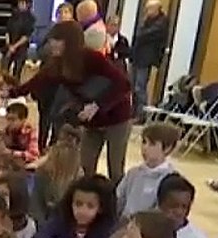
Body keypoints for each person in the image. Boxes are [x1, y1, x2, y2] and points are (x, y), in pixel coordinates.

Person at [9, 21, 132, 181]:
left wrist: (97, 105)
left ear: (69, 41)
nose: (52, 43)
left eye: (57, 39)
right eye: (52, 39)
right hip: (92, 121)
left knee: (115, 169)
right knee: (85, 167)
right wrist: (11, 93)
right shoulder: (57, 64)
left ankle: (117, 203)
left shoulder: (92, 58)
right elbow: (37, 81)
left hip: (117, 118)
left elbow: (124, 84)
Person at [117, 122, 179, 218]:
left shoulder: (171, 180)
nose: (144, 148)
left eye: (152, 144)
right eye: (144, 142)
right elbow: (118, 200)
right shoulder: (133, 173)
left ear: (167, 148)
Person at [158, 174, 209, 238]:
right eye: (173, 206)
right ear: (160, 204)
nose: (179, 212)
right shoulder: (147, 228)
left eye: (185, 207)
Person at [131, 0, 171, 116]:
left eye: (149, 9)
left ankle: (142, 114)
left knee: (140, 87)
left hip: (146, 58)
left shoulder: (161, 22)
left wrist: (142, 31)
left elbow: (143, 35)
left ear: (157, 9)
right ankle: (134, 112)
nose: (147, 12)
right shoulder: (147, 21)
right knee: (133, 86)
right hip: (137, 56)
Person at [3, 0, 36, 78]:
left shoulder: (30, 19)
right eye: (19, 3)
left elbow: (26, 36)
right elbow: (7, 31)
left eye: (23, 3)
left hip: (21, 48)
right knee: (4, 71)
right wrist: (9, 45)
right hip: (9, 45)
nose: (20, 5)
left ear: (28, 4)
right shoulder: (13, 16)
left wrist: (14, 46)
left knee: (17, 72)